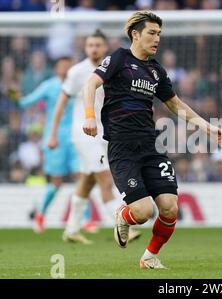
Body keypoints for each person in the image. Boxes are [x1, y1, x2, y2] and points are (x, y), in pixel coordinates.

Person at [82, 11, 222, 269]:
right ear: (135, 34)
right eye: (151, 32)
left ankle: (149, 256)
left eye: (159, 33)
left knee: (170, 207)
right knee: (143, 212)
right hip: (122, 148)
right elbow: (90, 85)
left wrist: (206, 126)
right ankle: (124, 216)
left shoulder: (156, 70)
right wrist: (90, 115)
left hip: (150, 146)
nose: (157, 38)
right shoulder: (119, 59)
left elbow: (175, 104)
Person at [49, 30, 141, 244]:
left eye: (98, 45)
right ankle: (121, 224)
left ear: (105, 47)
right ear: (85, 47)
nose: (94, 49)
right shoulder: (78, 72)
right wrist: (53, 134)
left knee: (87, 181)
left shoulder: (114, 70)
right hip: (84, 134)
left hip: (105, 133)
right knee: (105, 178)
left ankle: (71, 229)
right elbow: (62, 102)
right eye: (90, 45)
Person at [18, 57, 81, 233]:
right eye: (62, 66)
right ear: (56, 69)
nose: (66, 69)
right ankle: (41, 214)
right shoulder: (50, 85)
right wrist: (16, 98)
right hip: (55, 139)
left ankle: (84, 220)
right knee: (56, 182)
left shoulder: (79, 85)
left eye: (69, 66)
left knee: (83, 178)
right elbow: (26, 102)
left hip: (76, 138)